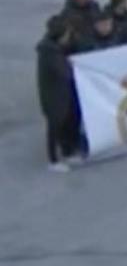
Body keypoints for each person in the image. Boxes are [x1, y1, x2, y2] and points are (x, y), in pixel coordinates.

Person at [37, 15, 79, 172]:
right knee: (55, 127)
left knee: (67, 122)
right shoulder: (49, 53)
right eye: (67, 34)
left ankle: (68, 151)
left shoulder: (55, 48)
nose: (68, 37)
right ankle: (53, 160)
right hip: (53, 96)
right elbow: (64, 73)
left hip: (62, 93)